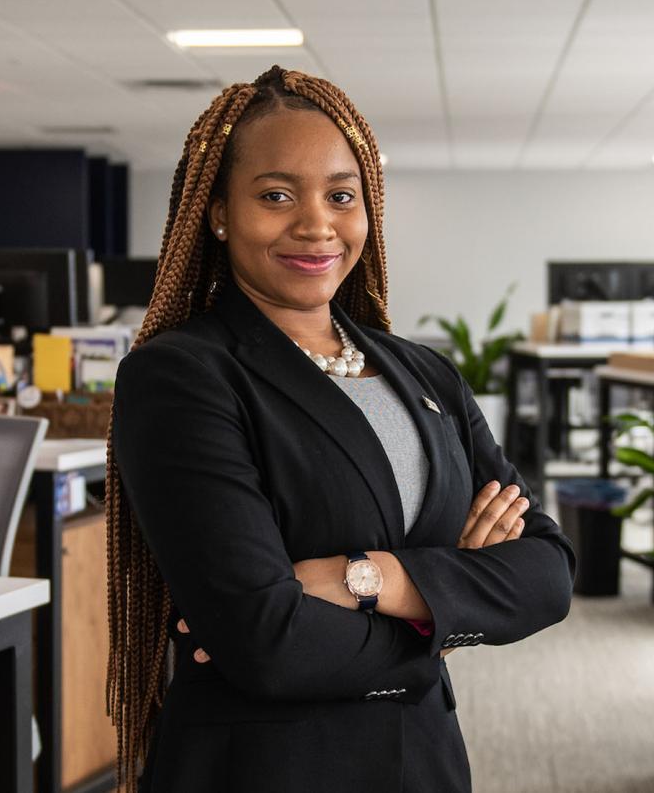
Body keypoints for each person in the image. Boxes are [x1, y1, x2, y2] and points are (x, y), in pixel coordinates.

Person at [105, 66, 576, 792]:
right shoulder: (182, 377)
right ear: (219, 211)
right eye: (275, 195)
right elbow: (267, 643)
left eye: (340, 196)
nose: (316, 224)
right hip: (267, 771)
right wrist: (441, 619)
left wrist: (368, 578)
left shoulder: (424, 373)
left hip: (423, 761)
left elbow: (547, 574)